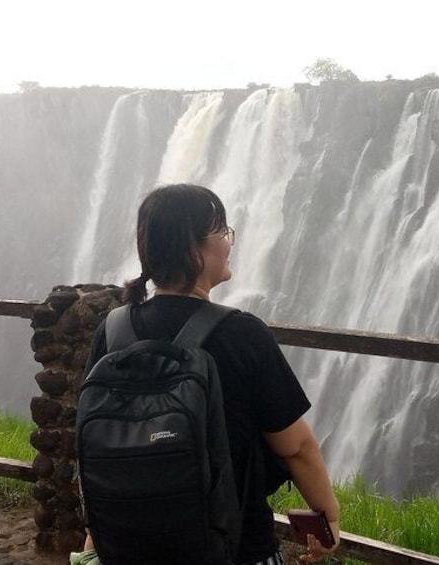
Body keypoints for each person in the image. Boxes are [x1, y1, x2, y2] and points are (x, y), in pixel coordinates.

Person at [73, 183, 340, 565]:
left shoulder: (114, 330)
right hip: (236, 549)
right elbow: (296, 446)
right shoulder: (242, 333)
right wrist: (327, 516)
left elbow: (92, 438)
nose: (229, 242)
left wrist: (94, 532)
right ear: (192, 249)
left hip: (129, 547)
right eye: (222, 232)